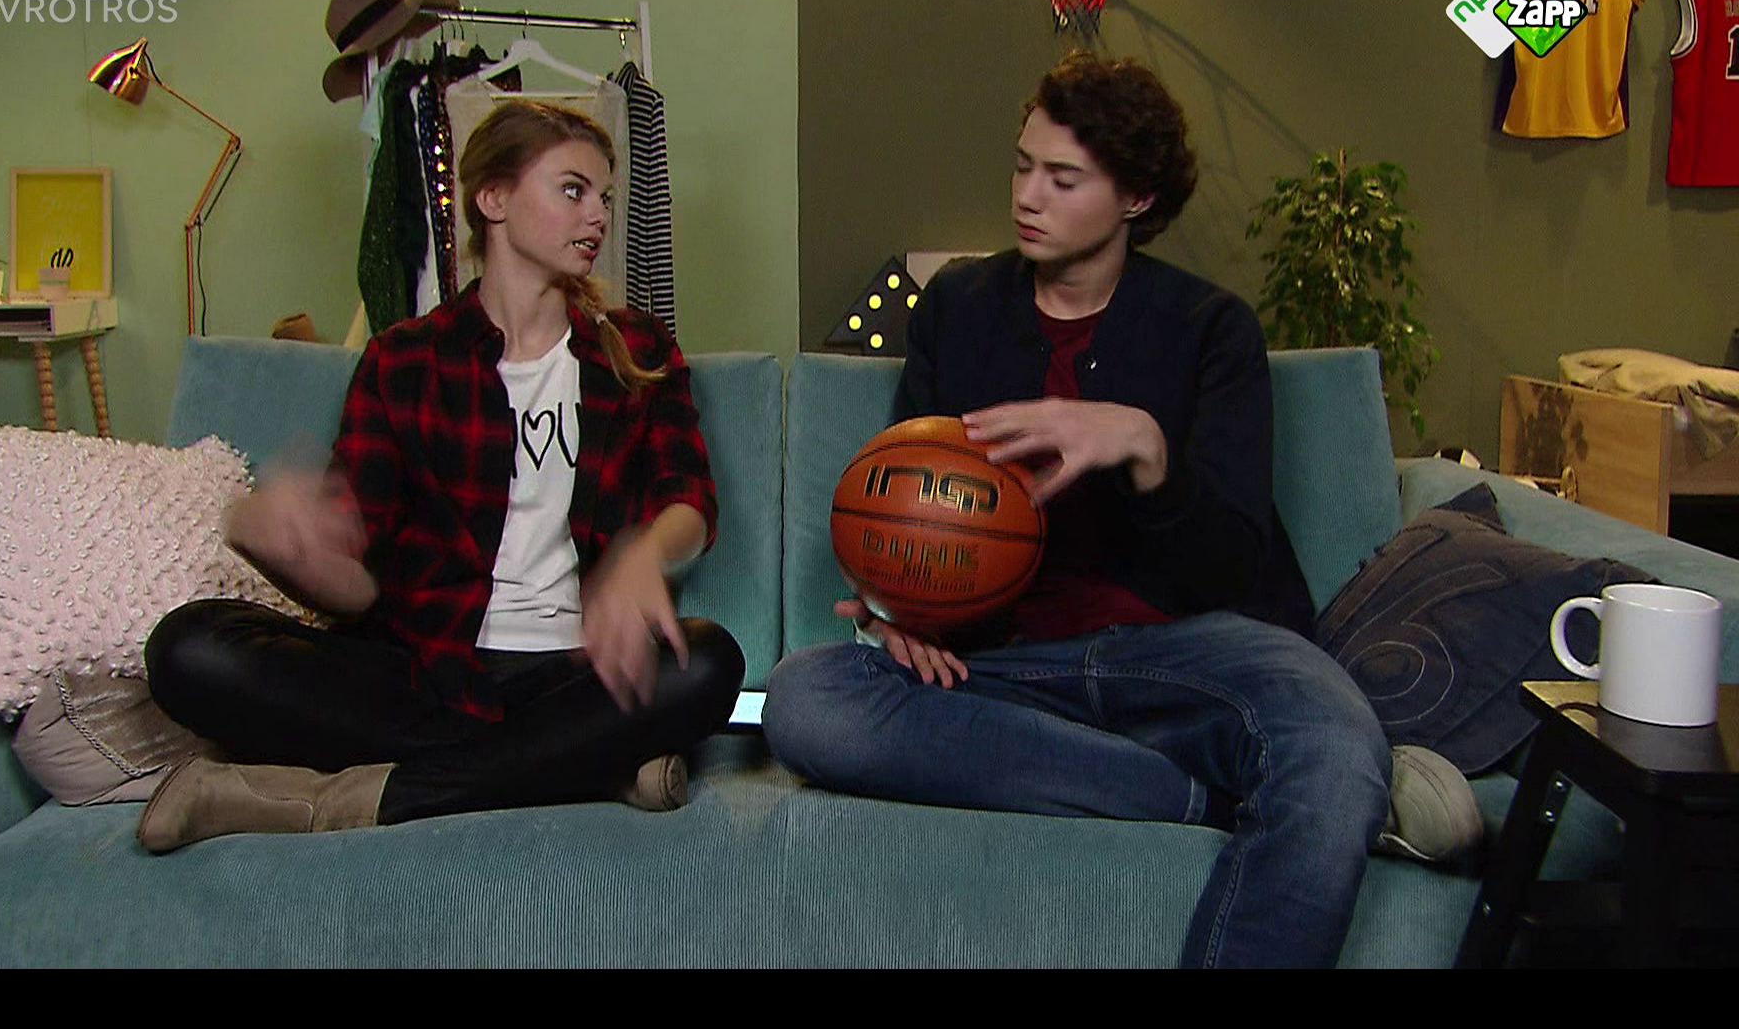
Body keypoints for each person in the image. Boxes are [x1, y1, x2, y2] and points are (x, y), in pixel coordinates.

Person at [761, 52, 1480, 969]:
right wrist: (899, 606)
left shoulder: (1212, 329)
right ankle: (1204, 795)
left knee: (1335, 742)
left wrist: (1145, 448)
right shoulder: (957, 308)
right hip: (1006, 668)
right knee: (808, 699)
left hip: (1191, 655)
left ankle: (1268, 776)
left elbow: (1228, 563)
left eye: (1063, 179)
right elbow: (913, 499)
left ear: (1137, 198)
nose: (1028, 195)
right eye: (1023, 165)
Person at [136, 100, 745, 853]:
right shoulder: (405, 359)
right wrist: (279, 545)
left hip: (577, 676)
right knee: (188, 648)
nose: (597, 215)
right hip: (426, 674)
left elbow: (689, 498)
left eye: (604, 197)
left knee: (709, 663)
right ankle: (586, 766)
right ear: (493, 198)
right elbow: (358, 586)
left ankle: (339, 800)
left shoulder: (637, 349)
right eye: (573, 190)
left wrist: (644, 553)